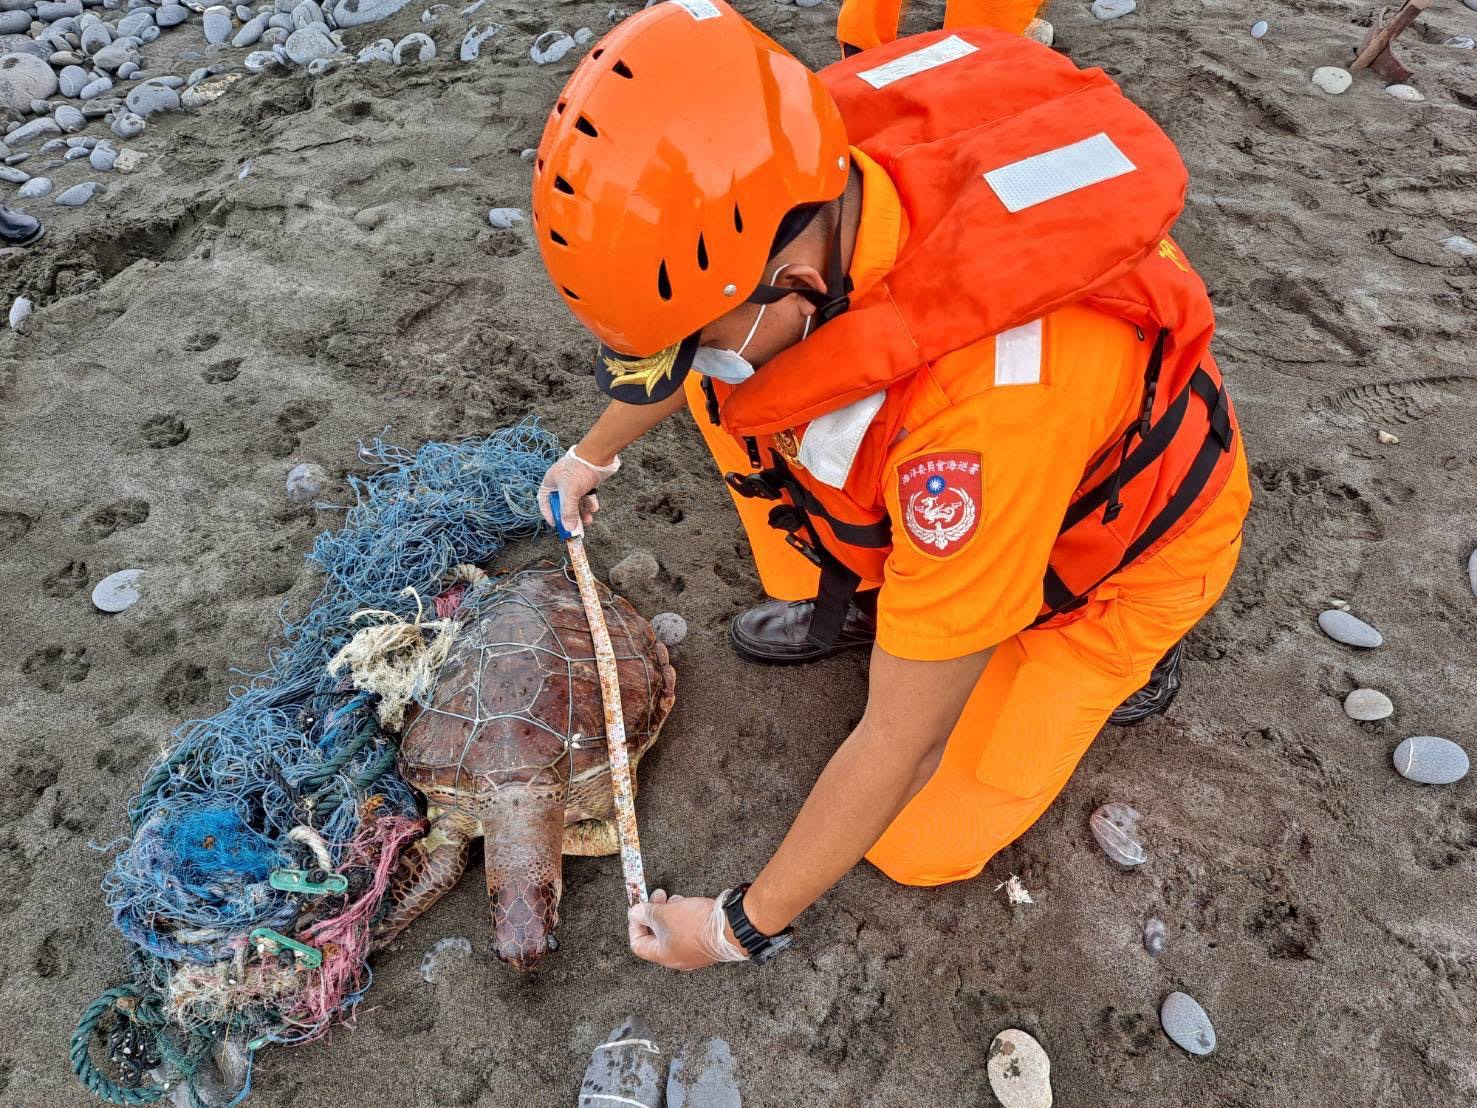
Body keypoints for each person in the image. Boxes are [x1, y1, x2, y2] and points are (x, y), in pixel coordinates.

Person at [530, 1, 1250, 970]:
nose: (682, 361)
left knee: (915, 845)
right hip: (978, 446)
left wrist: (739, 927)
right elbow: (686, 348)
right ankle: (885, 604)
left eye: (694, 336)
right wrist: (592, 454)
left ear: (791, 277)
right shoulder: (804, 160)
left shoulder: (988, 426)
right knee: (729, 397)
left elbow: (898, 743)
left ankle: (1122, 657)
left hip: (1113, 558)